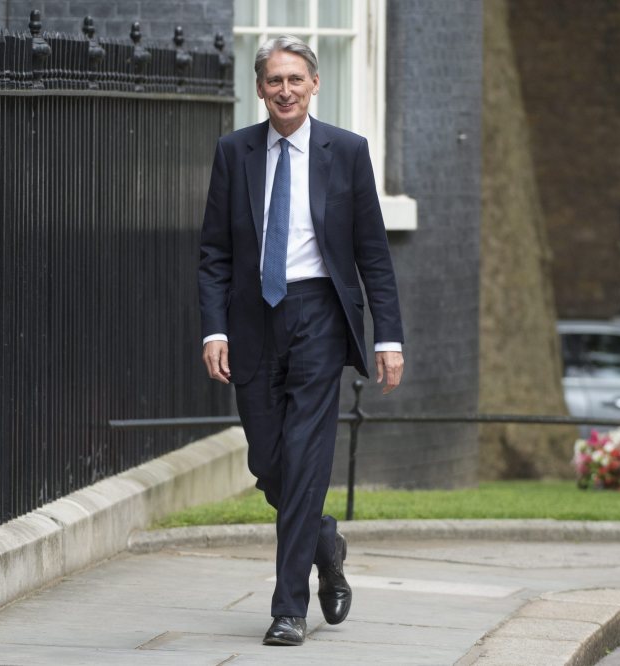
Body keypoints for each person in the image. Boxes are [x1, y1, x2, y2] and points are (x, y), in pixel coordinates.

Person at [197, 36, 404, 646]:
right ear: (259, 88)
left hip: (318, 313)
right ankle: (325, 542)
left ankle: (288, 608)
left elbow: (373, 254)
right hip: (252, 319)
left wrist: (388, 337)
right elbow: (213, 251)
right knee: (268, 460)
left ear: (314, 85)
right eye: (273, 81)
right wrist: (214, 326)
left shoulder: (347, 152)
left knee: (306, 453)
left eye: (295, 79)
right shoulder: (234, 152)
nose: (284, 91)